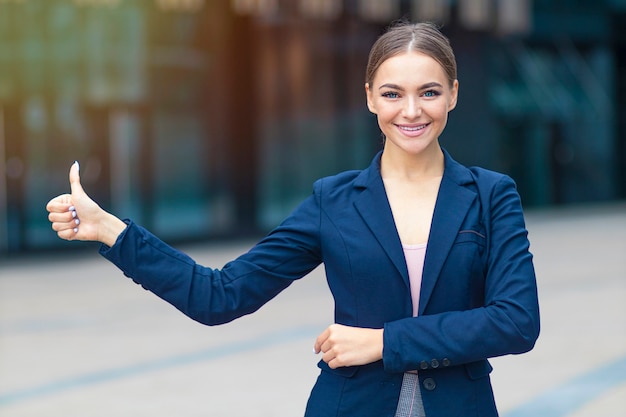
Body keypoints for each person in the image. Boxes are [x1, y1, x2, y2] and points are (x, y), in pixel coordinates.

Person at [46, 21, 540, 417]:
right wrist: (112, 232)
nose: (411, 110)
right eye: (392, 94)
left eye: (428, 92)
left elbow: (516, 323)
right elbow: (221, 295)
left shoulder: (491, 195)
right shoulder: (334, 201)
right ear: (370, 97)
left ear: (453, 94)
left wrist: (385, 342)